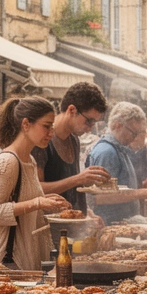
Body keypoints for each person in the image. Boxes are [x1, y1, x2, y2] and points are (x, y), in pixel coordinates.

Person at [0, 97, 70, 270]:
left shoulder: (30, 160)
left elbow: (21, 198)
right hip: (6, 263)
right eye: (46, 126)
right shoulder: (7, 161)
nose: (51, 133)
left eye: (52, 126)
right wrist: (36, 203)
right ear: (26, 124)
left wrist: (44, 200)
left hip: (26, 258)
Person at [86, 102, 147, 223]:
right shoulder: (107, 152)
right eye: (134, 132)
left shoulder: (121, 149)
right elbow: (100, 197)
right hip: (110, 224)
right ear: (118, 126)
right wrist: (145, 193)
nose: (135, 137)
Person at [34, 82, 110, 214]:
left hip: (72, 225)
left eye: (94, 123)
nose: (91, 127)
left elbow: (71, 188)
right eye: (89, 120)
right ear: (72, 110)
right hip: (47, 227)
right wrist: (79, 179)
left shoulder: (74, 139)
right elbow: (36, 189)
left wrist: (85, 211)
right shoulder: (42, 139)